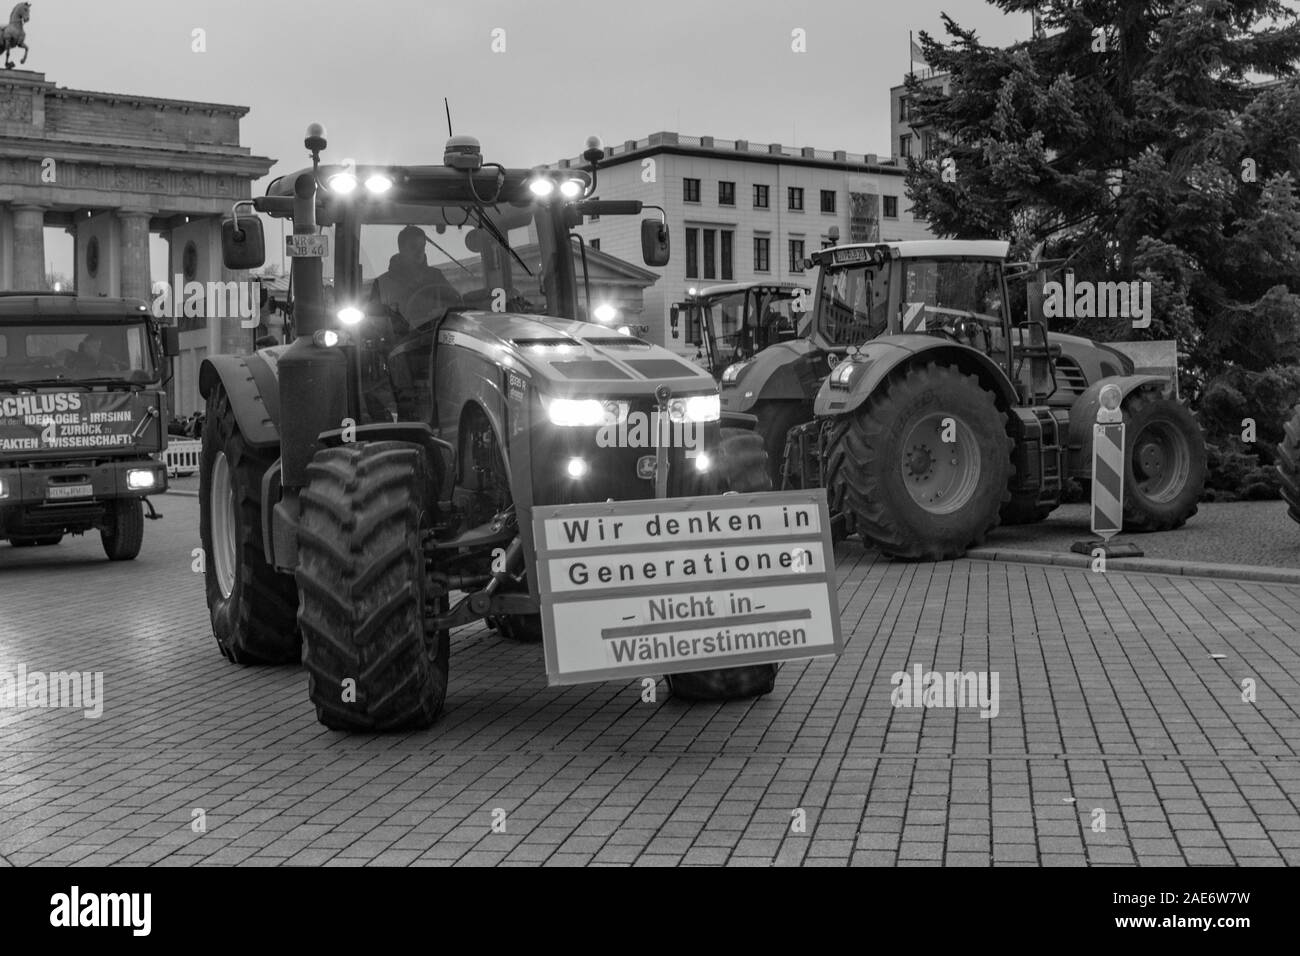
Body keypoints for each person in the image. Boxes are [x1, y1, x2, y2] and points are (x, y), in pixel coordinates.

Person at [369, 225, 460, 333]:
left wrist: (443, 311)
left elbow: (456, 303)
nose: (419, 251)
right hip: (399, 345)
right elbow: (374, 323)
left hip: (435, 338)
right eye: (413, 247)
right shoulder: (382, 284)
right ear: (401, 249)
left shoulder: (436, 276)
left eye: (422, 246)